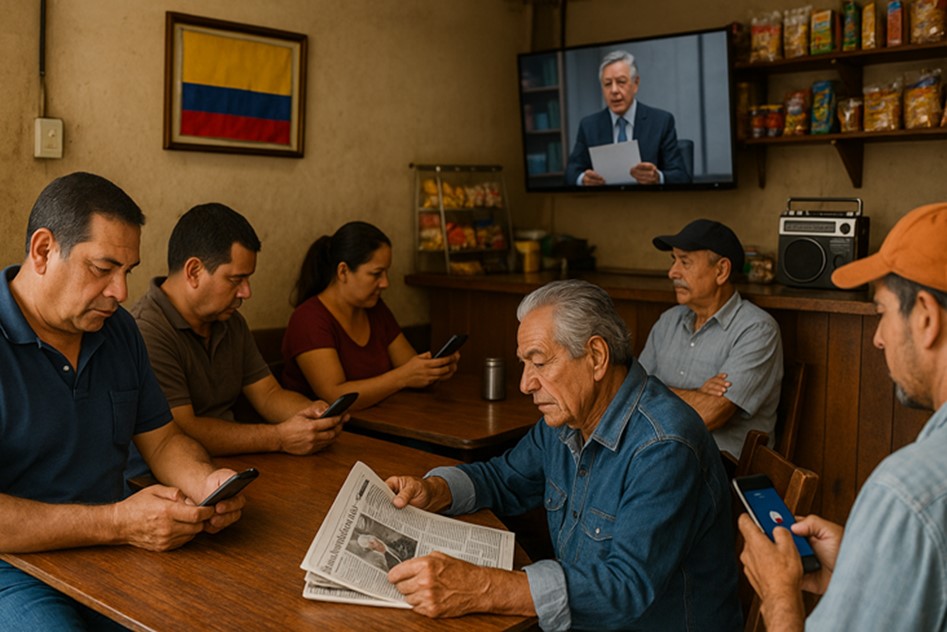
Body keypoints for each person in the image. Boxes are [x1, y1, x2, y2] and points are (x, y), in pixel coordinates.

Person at [384, 279, 741, 631]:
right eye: (524, 364)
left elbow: (624, 588)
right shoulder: (567, 417)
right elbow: (503, 478)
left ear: (596, 357)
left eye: (539, 363)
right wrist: (436, 490)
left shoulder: (663, 446)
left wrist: (482, 587)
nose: (526, 384)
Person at [0, 173, 244, 629]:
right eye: (102, 268)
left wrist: (206, 482)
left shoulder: (118, 330)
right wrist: (118, 522)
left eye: (127, 272)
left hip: (115, 550)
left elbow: (163, 440)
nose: (121, 293)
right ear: (43, 250)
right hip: (13, 568)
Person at [739, 202, 947, 631]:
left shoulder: (908, 493)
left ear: (926, 317)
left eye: (881, 313)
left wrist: (778, 597)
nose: (878, 339)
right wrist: (863, 568)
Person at [129, 203, 345, 462]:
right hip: (172, 471)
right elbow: (182, 429)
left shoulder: (229, 321)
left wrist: (313, 414)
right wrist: (279, 437)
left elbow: (269, 394)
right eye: (235, 280)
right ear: (194, 271)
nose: (246, 292)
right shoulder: (146, 329)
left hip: (238, 458)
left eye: (247, 279)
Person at [638, 219, 782, 457]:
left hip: (718, 467)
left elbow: (709, 414)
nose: (672, 272)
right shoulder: (668, 321)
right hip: (658, 456)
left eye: (685, 262)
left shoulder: (757, 329)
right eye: (673, 260)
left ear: (721, 270)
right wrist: (698, 393)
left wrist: (652, 390)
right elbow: (628, 394)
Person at [281, 221, 459, 410]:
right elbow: (335, 396)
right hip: (333, 425)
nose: (385, 283)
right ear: (343, 271)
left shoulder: (375, 309)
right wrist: (402, 378)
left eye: (386, 272)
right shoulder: (309, 319)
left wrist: (432, 372)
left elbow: (409, 366)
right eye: (376, 274)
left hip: (384, 418)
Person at [564, 50, 689, 187]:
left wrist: (657, 178)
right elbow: (571, 173)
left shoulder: (661, 122)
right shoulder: (589, 126)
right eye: (607, 84)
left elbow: (681, 176)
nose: (614, 90)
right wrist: (583, 179)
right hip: (604, 199)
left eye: (621, 82)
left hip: (647, 199)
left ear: (636, 83)